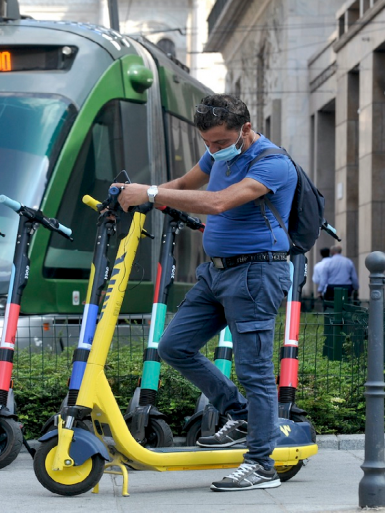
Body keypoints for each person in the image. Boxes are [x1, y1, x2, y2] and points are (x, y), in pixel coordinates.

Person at [113, 94, 296, 492]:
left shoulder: (272, 163)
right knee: (174, 346)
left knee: (255, 372)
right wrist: (133, 195)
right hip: (215, 275)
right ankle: (239, 413)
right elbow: (179, 186)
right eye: (207, 143)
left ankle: (262, 465)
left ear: (245, 129)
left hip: (256, 273)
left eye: (219, 142)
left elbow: (217, 202)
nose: (213, 151)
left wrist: (149, 194)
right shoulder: (218, 157)